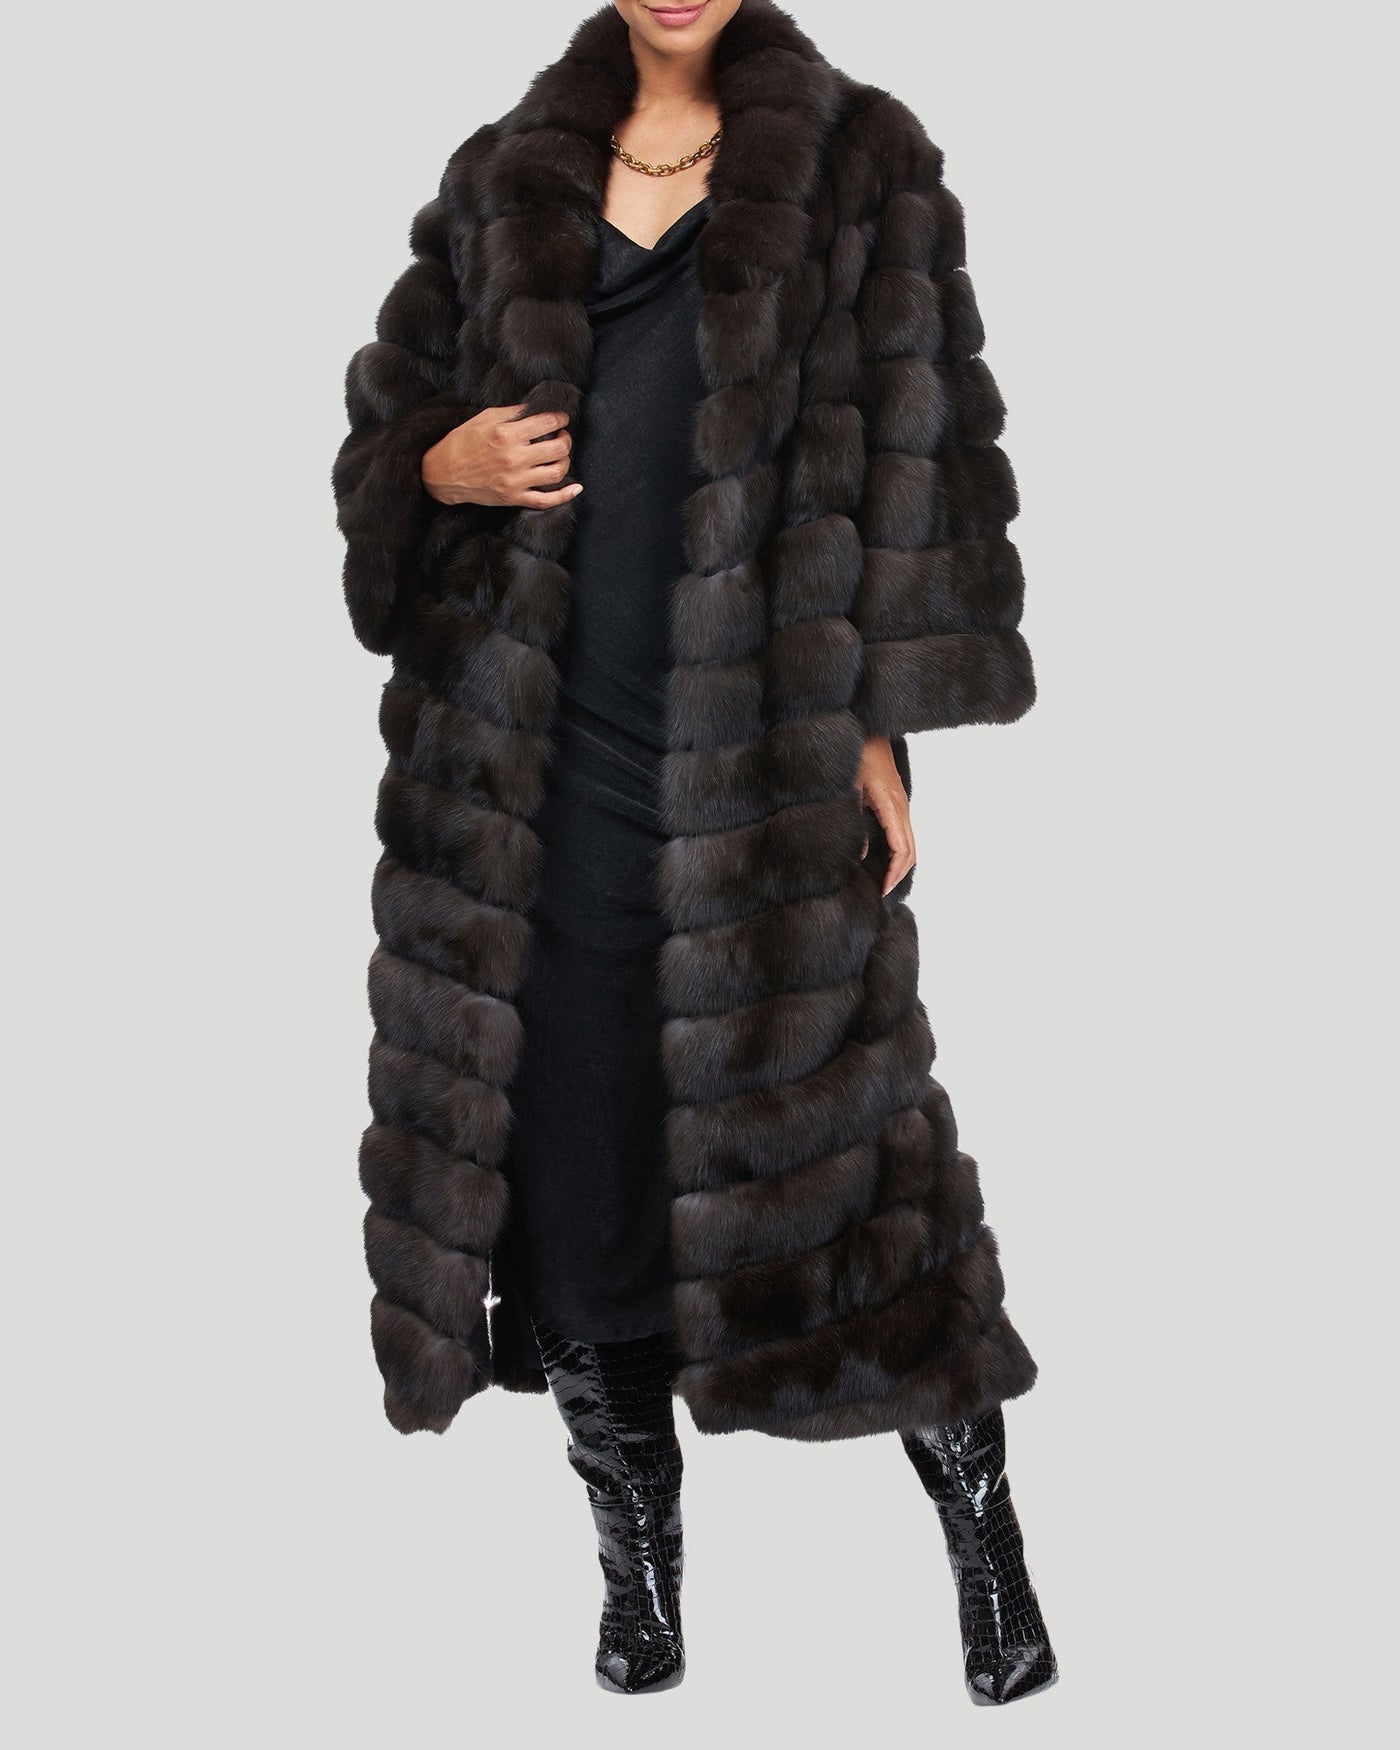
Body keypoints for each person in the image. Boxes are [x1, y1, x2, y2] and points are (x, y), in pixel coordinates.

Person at [332, 0, 1056, 1704]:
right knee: (578, 1174)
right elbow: (378, 451)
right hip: (535, 777)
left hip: (761, 757)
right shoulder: (501, 176)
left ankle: (987, 1543)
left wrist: (878, 723)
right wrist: (441, 461)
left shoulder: (863, 162)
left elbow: (919, 461)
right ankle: (638, 1572)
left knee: (859, 1171)